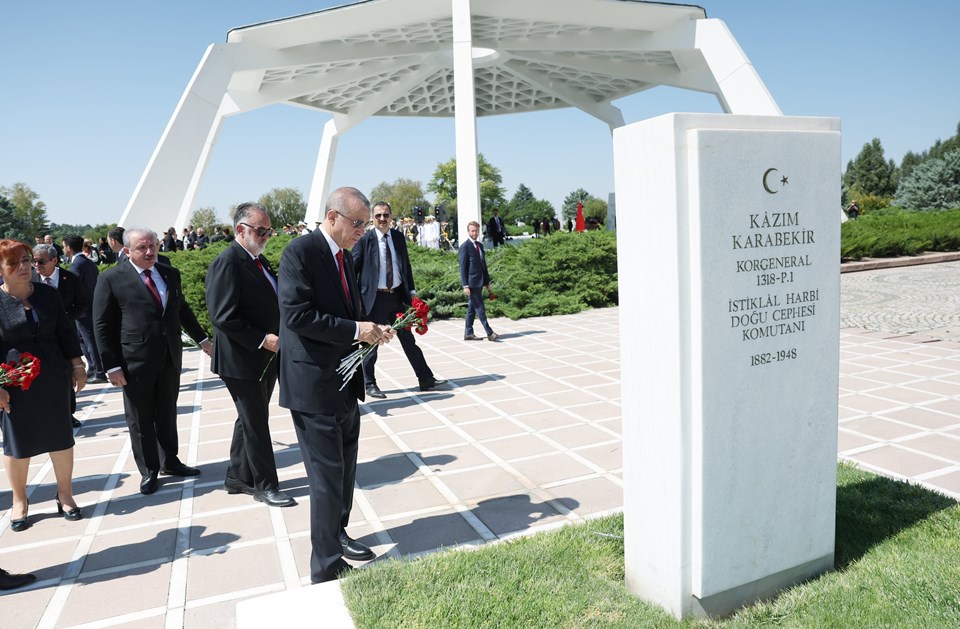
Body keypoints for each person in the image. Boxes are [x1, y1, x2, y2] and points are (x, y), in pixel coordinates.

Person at [278, 187, 394, 583]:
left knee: (344, 470)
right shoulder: (301, 252)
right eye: (358, 222)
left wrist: (371, 329)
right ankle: (325, 568)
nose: (364, 230)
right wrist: (354, 329)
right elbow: (297, 315)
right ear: (332, 218)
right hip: (313, 384)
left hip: (344, 380)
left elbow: (347, 309)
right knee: (326, 477)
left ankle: (336, 535)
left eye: (366, 223)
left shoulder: (344, 255)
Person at [93, 227, 212, 495]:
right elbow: (101, 324)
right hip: (133, 360)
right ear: (126, 251)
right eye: (141, 248)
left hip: (169, 355)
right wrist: (111, 365)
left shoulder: (169, 272)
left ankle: (170, 460)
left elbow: (182, 309)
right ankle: (149, 470)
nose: (149, 252)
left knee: (167, 411)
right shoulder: (111, 278)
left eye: (152, 246)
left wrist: (203, 340)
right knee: (140, 417)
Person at [206, 203, 294, 507]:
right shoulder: (228, 262)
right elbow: (223, 316)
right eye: (261, 230)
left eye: (269, 230)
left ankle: (237, 475)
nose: (267, 235)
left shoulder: (258, 260)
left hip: (264, 356)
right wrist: (262, 339)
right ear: (240, 229)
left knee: (250, 418)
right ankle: (265, 485)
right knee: (256, 421)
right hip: (242, 359)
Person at [0, 240, 87, 531]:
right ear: (2, 269)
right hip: (15, 384)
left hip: (53, 377)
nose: (24, 267)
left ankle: (65, 494)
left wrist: (77, 364)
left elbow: (65, 332)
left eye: (26, 260)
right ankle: (20, 501)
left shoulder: (49, 295)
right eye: (14, 263)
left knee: (61, 438)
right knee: (17, 445)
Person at [352, 201, 446, 399]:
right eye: (378, 216)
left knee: (408, 340)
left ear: (391, 216)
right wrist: (356, 300)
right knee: (371, 344)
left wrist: (411, 292)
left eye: (386, 215)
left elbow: (406, 266)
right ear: (372, 218)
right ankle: (369, 384)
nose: (382, 219)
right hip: (373, 300)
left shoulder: (398, 238)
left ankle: (426, 379)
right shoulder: (365, 240)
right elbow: (353, 272)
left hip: (396, 298)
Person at [33, 243, 86, 428]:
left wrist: (64, 318)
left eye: (41, 262)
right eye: (34, 262)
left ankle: (68, 413)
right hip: (39, 336)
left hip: (65, 334)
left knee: (66, 373)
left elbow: (82, 304)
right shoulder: (30, 280)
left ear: (54, 260)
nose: (37, 266)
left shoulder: (70, 278)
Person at [63, 235, 106, 384]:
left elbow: (72, 289)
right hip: (90, 306)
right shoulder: (87, 262)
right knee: (84, 339)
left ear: (68, 247)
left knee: (89, 339)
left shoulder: (77, 265)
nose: (63, 249)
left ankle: (99, 371)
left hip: (83, 309)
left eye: (64, 246)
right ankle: (93, 368)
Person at [458, 221, 499, 342]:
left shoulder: (480, 246)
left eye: (476, 231)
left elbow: (483, 266)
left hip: (480, 282)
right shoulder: (464, 247)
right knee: (480, 307)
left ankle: (468, 333)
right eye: (472, 231)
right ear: (468, 231)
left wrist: (487, 282)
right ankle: (490, 333)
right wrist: (465, 285)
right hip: (471, 284)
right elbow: (462, 268)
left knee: (472, 308)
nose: (475, 233)